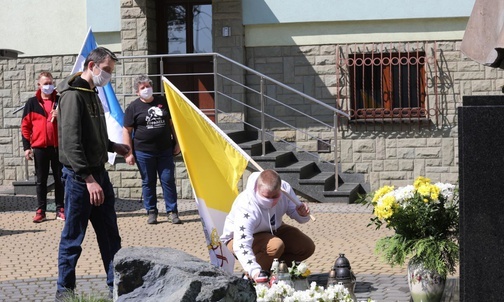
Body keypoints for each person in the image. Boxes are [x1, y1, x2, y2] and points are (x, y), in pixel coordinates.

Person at [55, 47, 130, 301]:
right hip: (80, 180)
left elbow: (94, 134)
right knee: (73, 238)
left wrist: (112, 146)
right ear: (92, 65)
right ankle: (64, 292)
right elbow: (71, 143)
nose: (108, 75)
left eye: (110, 71)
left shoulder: (93, 93)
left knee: (110, 235)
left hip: (99, 175)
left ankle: (116, 287)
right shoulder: (73, 96)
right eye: (106, 70)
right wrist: (88, 180)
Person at [220, 169, 316, 282]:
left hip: (274, 229)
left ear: (280, 188)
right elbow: (241, 244)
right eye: (266, 197)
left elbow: (297, 215)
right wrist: (254, 270)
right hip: (236, 238)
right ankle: (254, 277)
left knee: (306, 246)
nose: (271, 201)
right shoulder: (246, 206)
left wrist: (302, 214)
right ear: (258, 189)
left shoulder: (285, 189)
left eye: (275, 196)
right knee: (276, 246)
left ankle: (278, 272)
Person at [122, 75, 182, 225]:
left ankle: (172, 211)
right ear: (137, 92)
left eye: (148, 86)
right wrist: (128, 153)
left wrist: (178, 143)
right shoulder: (133, 107)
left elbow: (173, 124)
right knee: (148, 181)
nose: (146, 89)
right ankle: (151, 211)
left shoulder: (163, 101)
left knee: (168, 180)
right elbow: (126, 131)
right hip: (143, 152)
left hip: (165, 150)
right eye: (142, 88)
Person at [21, 71, 65, 223]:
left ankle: (61, 208)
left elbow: (70, 122)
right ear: (39, 85)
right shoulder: (32, 103)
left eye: (50, 83)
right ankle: (41, 210)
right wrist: (27, 147)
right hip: (40, 148)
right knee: (41, 180)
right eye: (45, 83)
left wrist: (61, 115)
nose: (48, 86)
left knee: (60, 179)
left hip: (58, 147)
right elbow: (25, 126)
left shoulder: (60, 101)